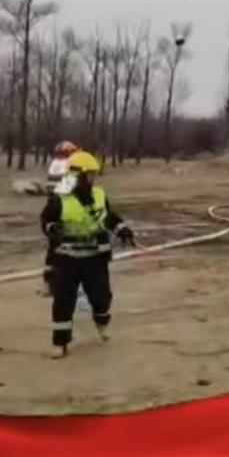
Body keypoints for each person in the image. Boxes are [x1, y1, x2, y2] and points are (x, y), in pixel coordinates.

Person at [39, 150, 135, 359]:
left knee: (101, 296)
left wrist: (122, 229)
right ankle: (60, 342)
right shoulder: (59, 198)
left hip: (95, 258)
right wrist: (52, 228)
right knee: (63, 301)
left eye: (94, 175)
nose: (92, 179)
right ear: (78, 175)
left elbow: (109, 217)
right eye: (89, 175)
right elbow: (46, 220)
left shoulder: (99, 195)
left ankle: (102, 322)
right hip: (67, 259)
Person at [41, 141, 79, 297]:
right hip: (64, 207)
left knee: (52, 248)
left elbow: (50, 188)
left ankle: (48, 284)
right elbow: (71, 188)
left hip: (52, 205)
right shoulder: (68, 165)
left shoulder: (54, 164)